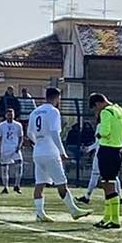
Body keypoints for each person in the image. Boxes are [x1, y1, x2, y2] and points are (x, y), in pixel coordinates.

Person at [27, 86, 90, 223]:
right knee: (61, 183)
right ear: (56, 97)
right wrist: (62, 151)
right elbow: (55, 133)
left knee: (40, 184)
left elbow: (29, 133)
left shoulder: (35, 112)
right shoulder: (53, 111)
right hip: (50, 151)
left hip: (38, 151)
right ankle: (74, 210)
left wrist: (38, 142)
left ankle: (40, 214)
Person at [86, 91, 122, 228]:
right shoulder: (120, 110)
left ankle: (115, 219)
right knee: (108, 183)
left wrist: (99, 134)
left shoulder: (106, 112)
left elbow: (104, 132)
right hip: (118, 150)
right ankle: (107, 217)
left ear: (98, 103)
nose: (96, 111)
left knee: (108, 185)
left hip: (107, 151)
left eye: (95, 108)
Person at [0, 111, 25, 194]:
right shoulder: (1, 125)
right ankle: (5, 187)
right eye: (8, 115)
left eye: (11, 115)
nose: (10, 116)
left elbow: (21, 136)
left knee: (19, 165)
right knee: (4, 168)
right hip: (5, 149)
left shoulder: (18, 125)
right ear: (5, 115)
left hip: (15, 149)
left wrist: (19, 146)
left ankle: (17, 185)